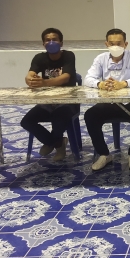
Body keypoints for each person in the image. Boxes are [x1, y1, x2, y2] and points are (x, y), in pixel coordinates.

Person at [84, 29, 130, 171]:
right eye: (112, 44)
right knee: (90, 115)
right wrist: (100, 84)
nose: (115, 46)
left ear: (125, 44)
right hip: (108, 102)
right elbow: (88, 78)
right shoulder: (100, 58)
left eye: (119, 43)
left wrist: (124, 83)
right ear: (106, 44)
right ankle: (104, 154)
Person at [20, 28, 79, 162]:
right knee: (26, 121)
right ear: (43, 44)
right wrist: (30, 80)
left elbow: (65, 77)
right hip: (47, 101)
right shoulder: (39, 58)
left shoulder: (68, 56)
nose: (51, 42)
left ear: (61, 42)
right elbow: (30, 74)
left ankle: (54, 144)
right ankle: (57, 143)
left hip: (68, 101)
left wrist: (44, 83)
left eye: (54, 40)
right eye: (48, 40)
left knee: (58, 120)